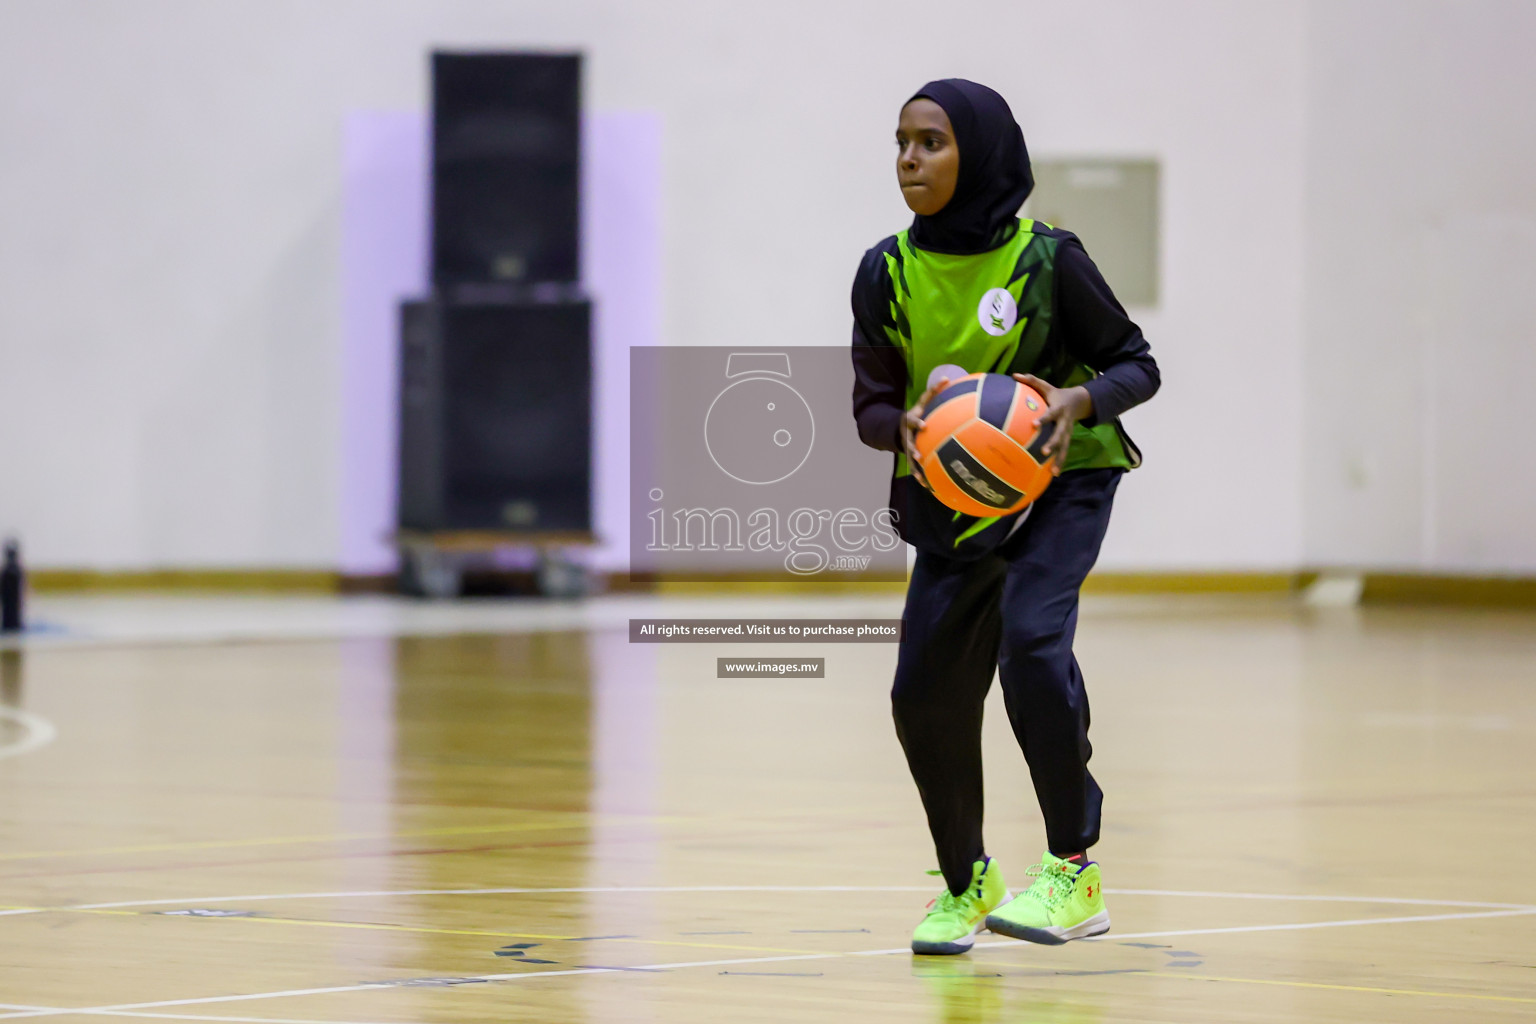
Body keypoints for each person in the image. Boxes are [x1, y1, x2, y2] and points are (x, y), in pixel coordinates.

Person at [849, 79, 1160, 955]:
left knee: (1030, 644)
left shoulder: (1049, 260)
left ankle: (1073, 869)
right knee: (923, 696)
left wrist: (1080, 399)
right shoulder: (887, 272)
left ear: (977, 153)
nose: (910, 158)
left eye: (932, 143)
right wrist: (903, 427)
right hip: (959, 496)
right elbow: (870, 405)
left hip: (1064, 481)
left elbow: (1137, 364)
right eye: (902, 142)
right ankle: (966, 882)